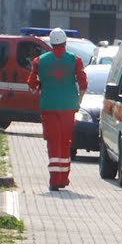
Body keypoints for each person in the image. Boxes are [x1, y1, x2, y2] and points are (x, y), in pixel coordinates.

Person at [28, 28, 87, 191]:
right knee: (66, 142)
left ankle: (54, 180)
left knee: (53, 142)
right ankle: (63, 178)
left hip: (48, 107)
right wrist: (78, 100)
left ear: (51, 43)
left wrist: (40, 86)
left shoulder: (39, 61)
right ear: (65, 42)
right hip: (68, 108)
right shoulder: (75, 60)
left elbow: (31, 84)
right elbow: (83, 83)